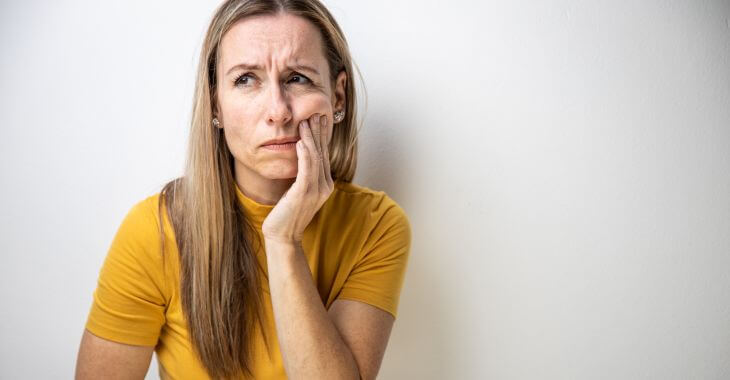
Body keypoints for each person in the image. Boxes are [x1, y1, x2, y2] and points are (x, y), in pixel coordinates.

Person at [74, 0, 411, 379]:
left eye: (297, 77)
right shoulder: (155, 230)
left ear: (338, 96)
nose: (278, 112)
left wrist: (283, 239)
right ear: (215, 104)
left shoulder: (376, 225)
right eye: (246, 80)